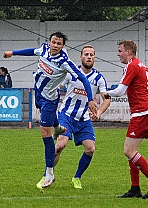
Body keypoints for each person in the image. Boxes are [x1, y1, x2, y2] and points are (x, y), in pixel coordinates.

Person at [3, 32, 97, 188]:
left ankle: (49, 174)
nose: (55, 46)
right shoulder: (44, 48)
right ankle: (58, 127)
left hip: (49, 100)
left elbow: (83, 79)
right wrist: (12, 53)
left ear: (62, 46)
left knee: (45, 135)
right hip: (39, 93)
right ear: (49, 42)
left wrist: (91, 100)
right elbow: (32, 51)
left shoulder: (64, 62)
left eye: (59, 44)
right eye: (53, 42)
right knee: (52, 129)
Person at [36, 45, 110, 189]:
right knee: (60, 145)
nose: (89, 57)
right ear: (81, 57)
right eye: (86, 54)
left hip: (84, 120)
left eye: (92, 55)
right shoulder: (70, 73)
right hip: (66, 116)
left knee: (90, 149)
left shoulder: (99, 78)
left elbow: (106, 98)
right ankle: (47, 175)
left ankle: (76, 178)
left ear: (94, 58)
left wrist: (99, 112)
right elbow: (57, 86)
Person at [104, 40, 148, 199]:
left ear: (128, 51)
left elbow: (120, 91)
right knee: (132, 152)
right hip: (147, 111)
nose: (118, 54)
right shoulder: (142, 66)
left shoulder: (130, 65)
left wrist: (106, 93)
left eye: (120, 51)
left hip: (142, 113)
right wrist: (145, 101)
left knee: (128, 151)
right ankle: (135, 189)